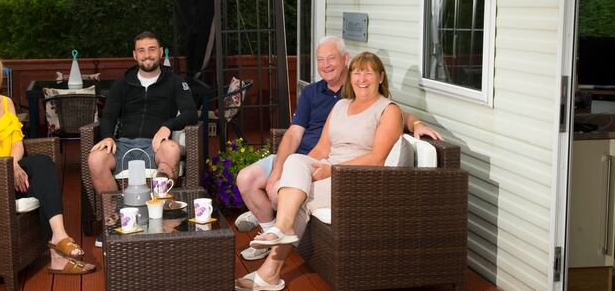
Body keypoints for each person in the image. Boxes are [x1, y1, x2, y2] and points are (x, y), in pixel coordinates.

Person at [234, 36, 443, 261]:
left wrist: (416, 123)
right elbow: (294, 132)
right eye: (321, 59)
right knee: (247, 178)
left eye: (331, 58)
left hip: (328, 165)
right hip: (303, 159)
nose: (326, 64)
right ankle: (270, 227)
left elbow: (392, 112)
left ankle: (271, 231)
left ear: (345, 60)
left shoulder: (365, 93)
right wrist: (278, 169)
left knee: (281, 192)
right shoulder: (315, 93)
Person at [235, 51, 405, 290]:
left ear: (380, 77)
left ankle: (270, 271)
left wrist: (331, 170)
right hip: (328, 169)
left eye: (369, 72)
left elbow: (377, 159)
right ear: (351, 77)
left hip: (357, 179)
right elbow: (320, 148)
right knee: (295, 162)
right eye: (357, 72)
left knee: (298, 199)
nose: (362, 79)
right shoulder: (341, 105)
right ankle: (281, 229)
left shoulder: (388, 110)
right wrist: (301, 170)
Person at [0, 46, 95, 275]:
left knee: (43, 164)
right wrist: (4, 169)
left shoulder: (6, 103)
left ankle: (59, 239)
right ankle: (58, 250)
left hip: (10, 173)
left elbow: (17, 143)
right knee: (41, 177)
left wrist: (13, 164)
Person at [88, 31, 197, 245]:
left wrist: (167, 126)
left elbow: (190, 112)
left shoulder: (174, 81)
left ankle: (160, 215)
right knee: (95, 159)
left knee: (172, 149)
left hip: (155, 146)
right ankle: (116, 221)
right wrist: (108, 136)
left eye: (152, 49)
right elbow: (108, 115)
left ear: (160, 52)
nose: (147, 55)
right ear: (135, 55)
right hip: (123, 145)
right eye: (141, 50)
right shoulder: (122, 84)